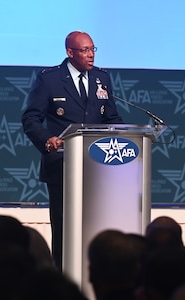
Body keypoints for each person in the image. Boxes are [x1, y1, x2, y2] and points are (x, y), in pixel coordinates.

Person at [21, 30, 124, 270]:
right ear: (70, 52)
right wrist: (47, 140)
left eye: (93, 49)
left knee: (96, 226)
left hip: (97, 167)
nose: (91, 56)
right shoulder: (50, 79)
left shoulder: (102, 78)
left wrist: (125, 135)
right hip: (62, 167)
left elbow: (111, 117)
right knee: (65, 230)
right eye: (85, 50)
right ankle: (63, 281)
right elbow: (31, 119)